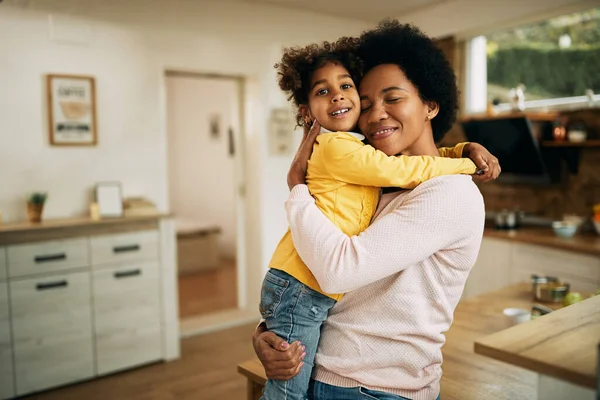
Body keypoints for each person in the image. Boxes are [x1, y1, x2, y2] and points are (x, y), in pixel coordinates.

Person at [254, 19, 500, 400]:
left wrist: (297, 189)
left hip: (373, 389)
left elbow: (339, 271)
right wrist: (272, 332)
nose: (375, 115)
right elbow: (336, 291)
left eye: (393, 98)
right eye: (364, 104)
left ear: (431, 105)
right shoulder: (374, 183)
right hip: (326, 369)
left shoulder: (451, 194)